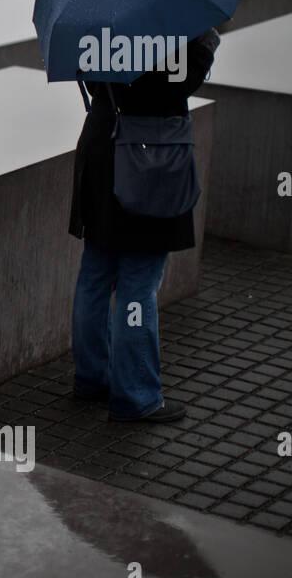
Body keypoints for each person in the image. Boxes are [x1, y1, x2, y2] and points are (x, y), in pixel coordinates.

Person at [68, 28, 221, 422]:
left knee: (96, 271)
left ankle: (91, 378)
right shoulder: (170, 24)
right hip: (147, 157)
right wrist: (205, 41)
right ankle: (136, 396)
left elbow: (90, 74)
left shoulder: (102, 16)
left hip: (101, 147)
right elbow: (177, 84)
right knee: (139, 280)